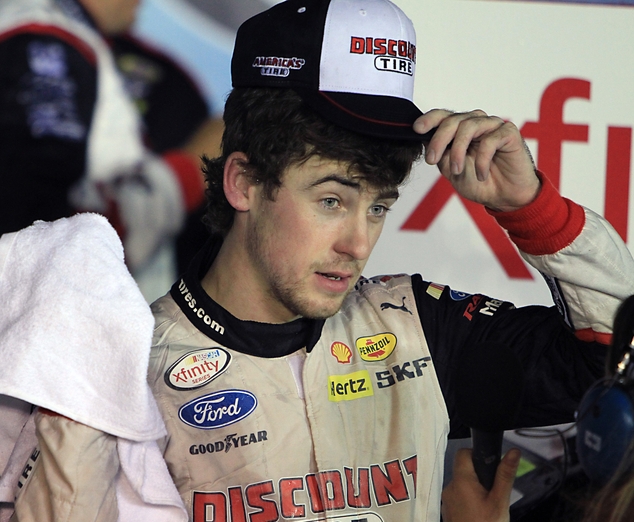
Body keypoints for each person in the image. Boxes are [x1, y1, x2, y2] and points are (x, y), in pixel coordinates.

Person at [8, 0, 634, 521]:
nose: (358, 245)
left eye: (378, 207)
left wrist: (531, 207)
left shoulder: (417, 328)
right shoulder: (121, 374)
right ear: (244, 182)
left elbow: (611, 370)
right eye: (332, 200)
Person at [0, 0, 211, 300]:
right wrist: (187, 174)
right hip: (40, 325)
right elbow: (38, 229)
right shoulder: (42, 37)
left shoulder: (56, 33)